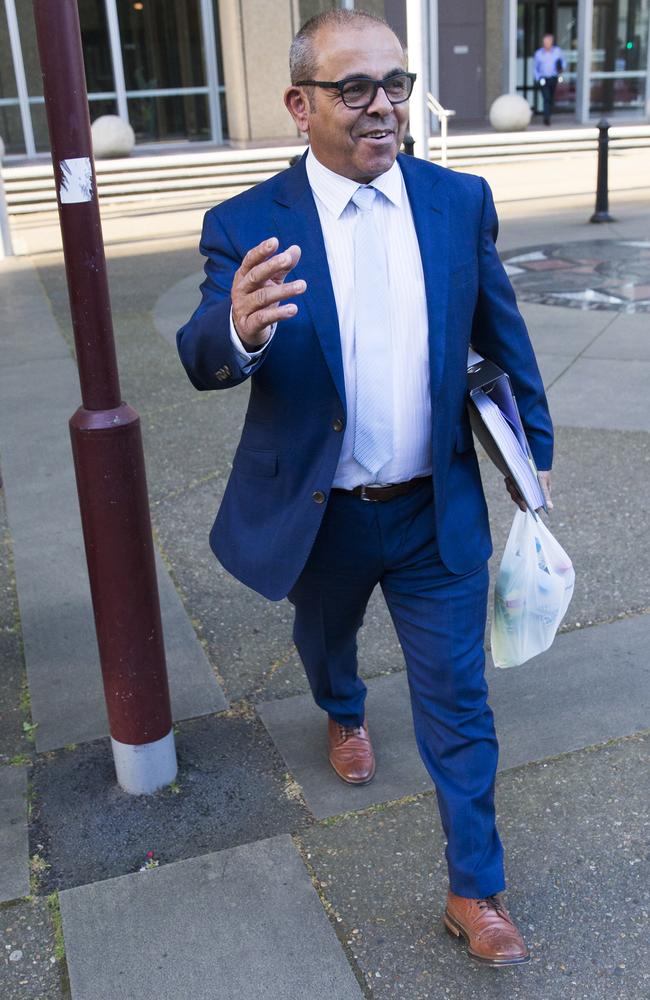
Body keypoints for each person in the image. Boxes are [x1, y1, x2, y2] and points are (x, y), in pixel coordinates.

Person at [177, 8, 553, 967]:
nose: (382, 105)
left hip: (435, 510)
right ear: (301, 104)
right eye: (355, 89)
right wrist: (240, 331)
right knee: (324, 639)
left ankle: (477, 892)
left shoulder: (457, 201)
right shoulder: (248, 224)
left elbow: (503, 336)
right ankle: (342, 707)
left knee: (459, 703)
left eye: (397, 84)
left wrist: (531, 454)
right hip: (324, 517)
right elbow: (202, 354)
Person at [534, 33, 565, 125]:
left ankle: (548, 114)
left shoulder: (557, 52)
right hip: (543, 79)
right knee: (546, 97)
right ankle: (546, 118)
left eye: (548, 41)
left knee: (550, 98)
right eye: (545, 42)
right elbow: (536, 68)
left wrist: (561, 69)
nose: (547, 43)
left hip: (553, 78)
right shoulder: (539, 54)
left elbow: (563, 62)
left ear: (551, 42)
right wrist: (538, 78)